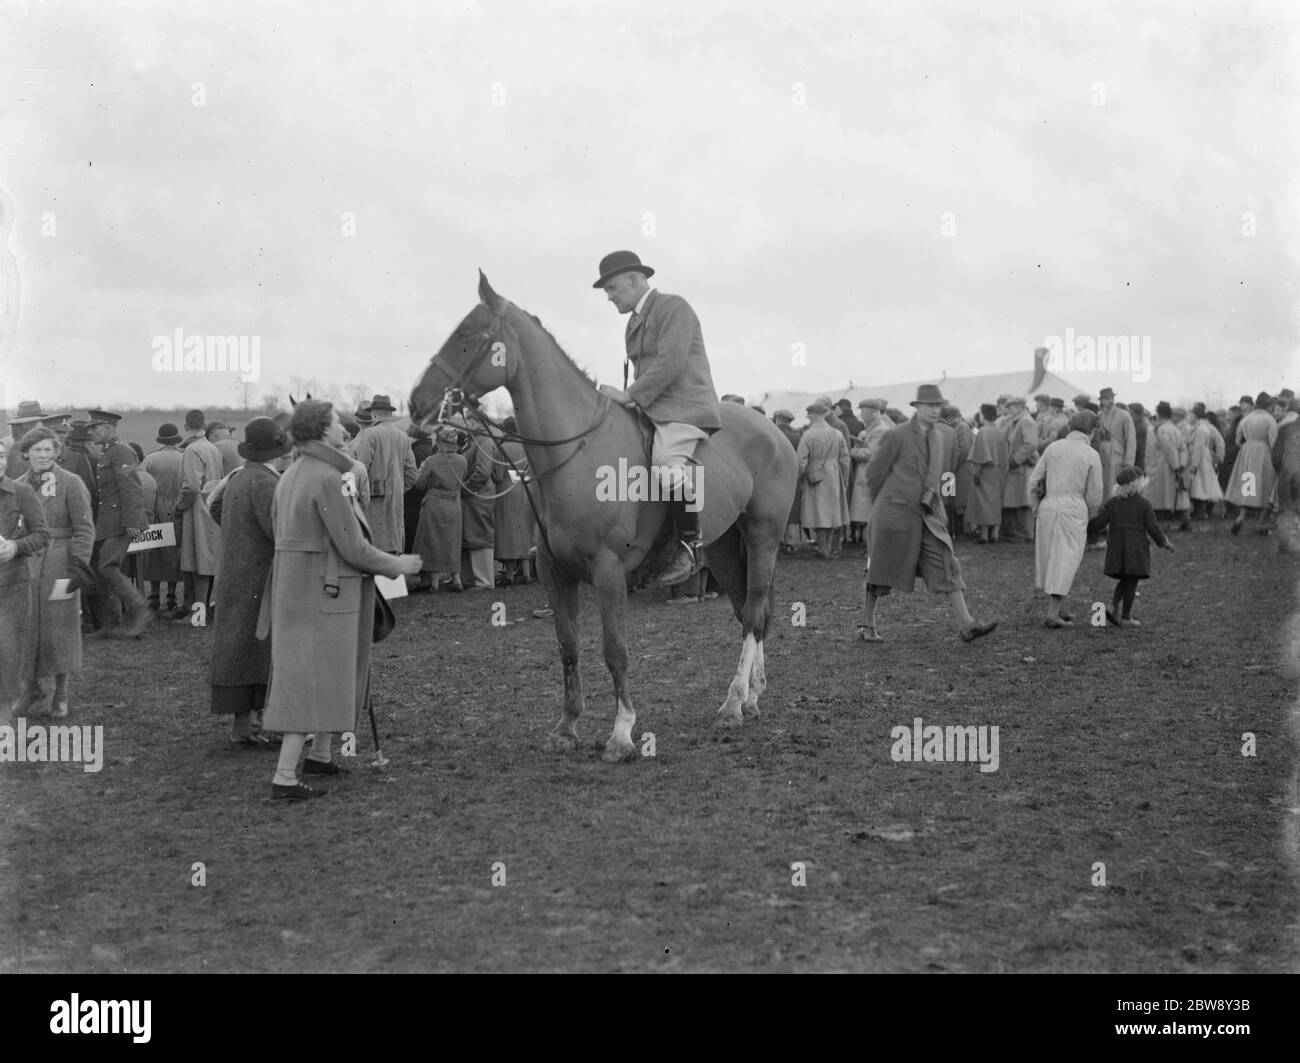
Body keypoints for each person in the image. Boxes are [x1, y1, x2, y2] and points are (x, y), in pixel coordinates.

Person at [258, 401, 422, 800]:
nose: (344, 432)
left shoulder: (291, 473)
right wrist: (397, 564)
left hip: (300, 591)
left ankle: (320, 755)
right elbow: (354, 548)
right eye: (335, 424)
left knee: (322, 673)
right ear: (319, 430)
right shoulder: (329, 478)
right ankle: (284, 777)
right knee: (310, 680)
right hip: (326, 594)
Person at [594, 250, 723, 586]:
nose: (609, 297)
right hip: (652, 407)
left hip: (685, 406)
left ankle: (692, 545)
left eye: (612, 289)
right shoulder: (633, 324)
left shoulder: (673, 306)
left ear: (634, 280)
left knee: (666, 464)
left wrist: (631, 395)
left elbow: (671, 361)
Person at [857, 386, 996, 644]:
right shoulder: (896, 436)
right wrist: (884, 508)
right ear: (917, 407)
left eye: (938, 406)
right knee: (880, 569)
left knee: (946, 560)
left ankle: (967, 624)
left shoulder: (940, 437)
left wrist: (934, 501)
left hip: (926, 514)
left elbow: (935, 475)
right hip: (892, 516)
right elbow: (874, 474)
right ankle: (867, 624)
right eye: (929, 405)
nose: (935, 410)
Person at [209, 417, 293, 746]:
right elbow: (281, 532)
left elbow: (213, 507)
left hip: (235, 574)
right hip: (262, 578)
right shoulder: (266, 483)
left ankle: (243, 726)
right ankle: (266, 725)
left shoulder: (240, 476)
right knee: (262, 651)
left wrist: (240, 534)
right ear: (276, 453)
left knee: (239, 650)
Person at [12, 427, 95, 718]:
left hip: (60, 563)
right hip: (24, 566)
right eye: (37, 450)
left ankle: (61, 694)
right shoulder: (17, 485)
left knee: (61, 630)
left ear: (56, 452)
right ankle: (31, 688)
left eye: (49, 449)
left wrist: (77, 569)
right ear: (26, 453)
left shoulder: (71, 482)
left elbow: (85, 529)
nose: (44, 455)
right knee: (24, 629)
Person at [1027, 411, 1104, 628]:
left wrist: (1036, 505)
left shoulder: (1053, 447)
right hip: (1074, 506)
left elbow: (1034, 480)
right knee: (1067, 558)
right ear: (1092, 430)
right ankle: (1052, 614)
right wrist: (1089, 511)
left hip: (1049, 505)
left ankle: (1061, 608)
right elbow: (1095, 493)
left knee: (1052, 557)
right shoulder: (1091, 454)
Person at [86, 409, 152, 638]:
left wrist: (132, 521)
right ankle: (112, 626)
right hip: (109, 522)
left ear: (109, 427)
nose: (91, 432)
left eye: (95, 427)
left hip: (122, 522)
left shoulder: (122, 452)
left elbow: (132, 486)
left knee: (107, 567)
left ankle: (139, 607)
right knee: (103, 570)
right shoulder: (107, 453)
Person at [0, 439, 51, 718]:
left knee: (6, 656)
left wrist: (15, 547)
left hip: (11, 587)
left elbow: (42, 534)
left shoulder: (21, 492)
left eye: (1, 456)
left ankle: (3, 720)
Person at [1087, 466, 1176, 627]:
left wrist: (1084, 527)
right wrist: (1165, 543)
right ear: (1137, 485)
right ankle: (1126, 617)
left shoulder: (1112, 503)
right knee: (1131, 580)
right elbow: (1153, 529)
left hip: (1116, 548)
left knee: (1124, 578)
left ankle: (1112, 606)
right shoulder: (1144, 504)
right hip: (1135, 549)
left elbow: (1099, 523)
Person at [350, 394, 417, 553]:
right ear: (390, 414)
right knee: (393, 550)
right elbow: (412, 475)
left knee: (375, 549)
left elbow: (360, 469)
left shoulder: (370, 434)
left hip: (373, 501)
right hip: (396, 503)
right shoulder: (403, 437)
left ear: (374, 414)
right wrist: (398, 488)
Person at [172, 414, 223, 620]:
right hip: (211, 508)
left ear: (186, 426)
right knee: (207, 564)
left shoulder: (192, 450)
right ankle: (204, 613)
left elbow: (192, 486)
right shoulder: (213, 448)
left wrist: (179, 505)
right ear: (204, 425)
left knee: (199, 566)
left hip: (197, 511)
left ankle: (198, 617)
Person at [413, 425, 467, 592]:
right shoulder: (462, 460)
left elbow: (420, 484)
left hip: (434, 503)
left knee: (433, 541)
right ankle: (456, 579)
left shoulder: (432, 460)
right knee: (452, 541)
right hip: (454, 503)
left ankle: (434, 583)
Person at [796, 402, 850, 559]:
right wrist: (844, 479)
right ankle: (828, 548)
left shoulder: (808, 435)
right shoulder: (837, 434)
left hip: (815, 475)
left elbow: (801, 461)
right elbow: (845, 460)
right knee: (832, 513)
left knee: (818, 512)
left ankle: (823, 548)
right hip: (833, 474)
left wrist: (799, 478)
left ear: (812, 416)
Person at [141, 424, 184, 613]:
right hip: (177, 512)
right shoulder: (184, 458)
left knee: (155, 555)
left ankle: (154, 596)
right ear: (176, 440)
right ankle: (172, 596)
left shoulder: (150, 459)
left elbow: (143, 483)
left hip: (156, 511)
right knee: (173, 554)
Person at [1226, 391, 1278, 535]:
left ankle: (1241, 517)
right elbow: (1273, 441)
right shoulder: (1270, 419)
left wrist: (1247, 444)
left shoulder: (1246, 419)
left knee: (1248, 485)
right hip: (1263, 452)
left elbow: (1237, 440)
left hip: (1247, 452)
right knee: (1265, 486)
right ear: (1268, 405)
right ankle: (1259, 524)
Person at [494, 417, 535, 585]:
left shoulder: (502, 449)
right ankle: (526, 572)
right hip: (525, 490)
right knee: (524, 532)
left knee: (507, 533)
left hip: (506, 491)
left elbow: (497, 475)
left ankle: (510, 574)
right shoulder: (527, 448)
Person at [849, 399, 889, 545]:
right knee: (867, 514)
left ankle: (873, 545)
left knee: (870, 512)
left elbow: (869, 454)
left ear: (872, 411)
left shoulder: (880, 430)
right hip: (867, 475)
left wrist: (853, 451)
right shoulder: (873, 428)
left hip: (871, 475)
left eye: (863, 410)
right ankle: (869, 544)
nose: (861, 414)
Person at [1145, 402, 1190, 530]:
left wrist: (1175, 466)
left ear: (1159, 414)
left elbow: (1168, 448)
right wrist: (1181, 464)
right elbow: (1183, 448)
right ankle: (1182, 518)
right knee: (1176, 494)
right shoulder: (1175, 428)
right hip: (1175, 464)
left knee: (1162, 494)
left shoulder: (1162, 429)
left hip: (1164, 465)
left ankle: (1166, 521)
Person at [967, 403, 1008, 543]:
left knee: (982, 503)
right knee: (996, 503)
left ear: (983, 414)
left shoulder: (982, 432)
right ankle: (995, 533)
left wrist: (976, 473)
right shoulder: (1000, 431)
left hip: (984, 471)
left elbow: (979, 455)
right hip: (998, 471)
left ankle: (984, 535)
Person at [1001, 396, 1037, 541]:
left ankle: (1026, 533)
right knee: (1019, 500)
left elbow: (1031, 444)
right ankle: (1021, 532)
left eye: (1010, 407)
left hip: (1023, 467)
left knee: (1025, 501)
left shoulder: (1025, 421)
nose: (1009, 410)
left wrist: (1016, 460)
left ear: (1019, 407)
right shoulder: (1017, 421)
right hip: (1018, 468)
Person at [772, 410, 803, 552]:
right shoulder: (798, 436)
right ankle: (792, 541)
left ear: (778, 419)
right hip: (793, 477)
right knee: (793, 509)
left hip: (773, 477)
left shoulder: (771, 433)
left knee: (775, 508)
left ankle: (778, 541)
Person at [1186, 403, 1224, 519]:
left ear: (1196, 416)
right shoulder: (1200, 427)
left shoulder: (1201, 429)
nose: (1189, 418)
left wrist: (1194, 464)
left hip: (1201, 460)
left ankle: (1201, 512)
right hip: (1203, 458)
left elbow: (1198, 448)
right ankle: (1199, 510)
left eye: (1191, 415)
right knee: (1201, 485)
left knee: (1200, 485)